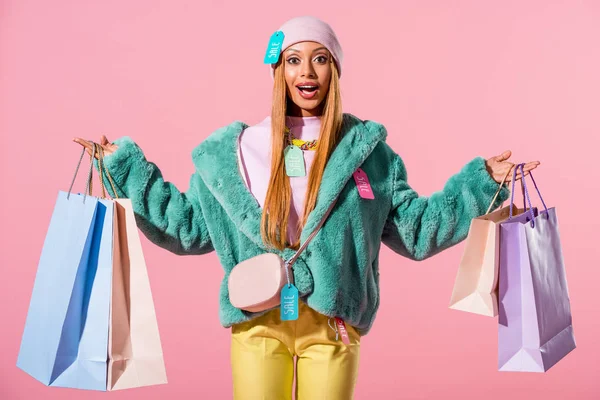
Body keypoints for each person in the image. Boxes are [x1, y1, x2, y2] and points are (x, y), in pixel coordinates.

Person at [74, 15, 539, 400]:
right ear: (278, 70)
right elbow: (189, 227)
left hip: (333, 325)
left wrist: (482, 184)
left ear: (335, 70)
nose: (307, 72)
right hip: (256, 320)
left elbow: (417, 231)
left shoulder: (367, 155)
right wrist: (125, 169)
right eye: (294, 60)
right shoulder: (237, 153)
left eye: (320, 59)